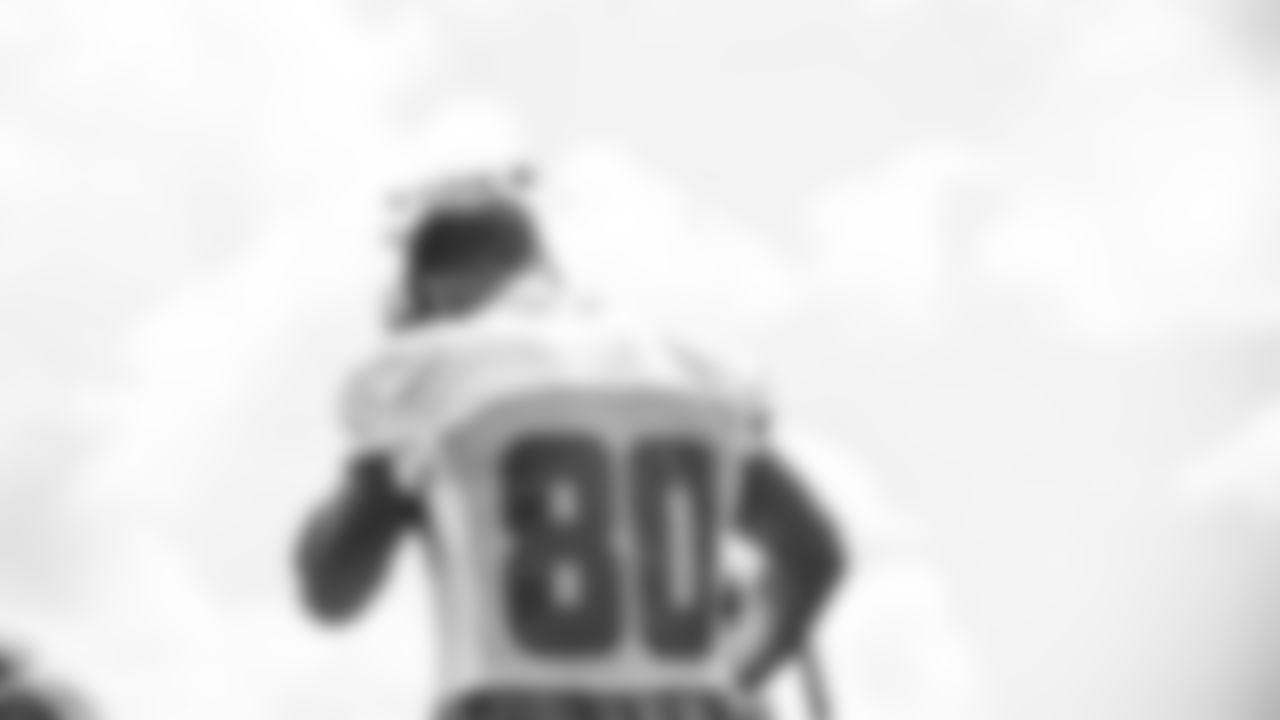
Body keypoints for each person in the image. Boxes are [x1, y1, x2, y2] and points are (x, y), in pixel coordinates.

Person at [295, 168, 846, 720]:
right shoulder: (688, 371)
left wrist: (381, 459)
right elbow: (814, 551)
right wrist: (735, 677)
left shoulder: (435, 372)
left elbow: (330, 591)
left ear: (430, 291)